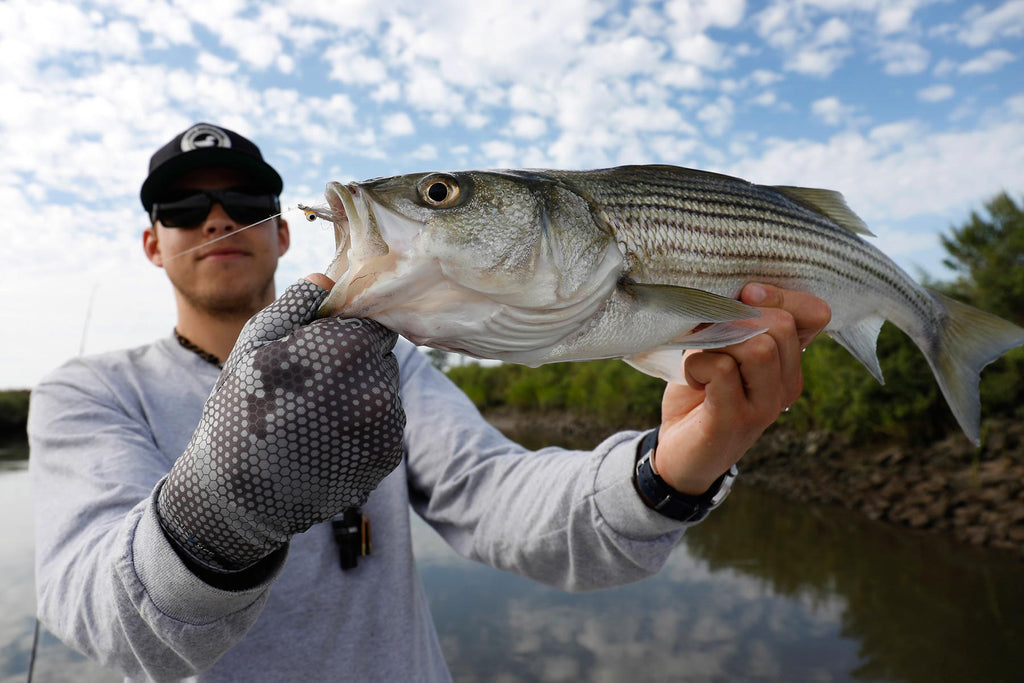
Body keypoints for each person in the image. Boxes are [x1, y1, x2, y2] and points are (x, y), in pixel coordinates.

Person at [28, 122, 831, 682]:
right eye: (182, 209)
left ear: (281, 233)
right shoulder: (88, 393)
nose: (215, 220)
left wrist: (668, 471)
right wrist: (222, 512)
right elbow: (97, 616)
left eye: (245, 203)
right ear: (151, 242)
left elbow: (499, 499)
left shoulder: (388, 362)